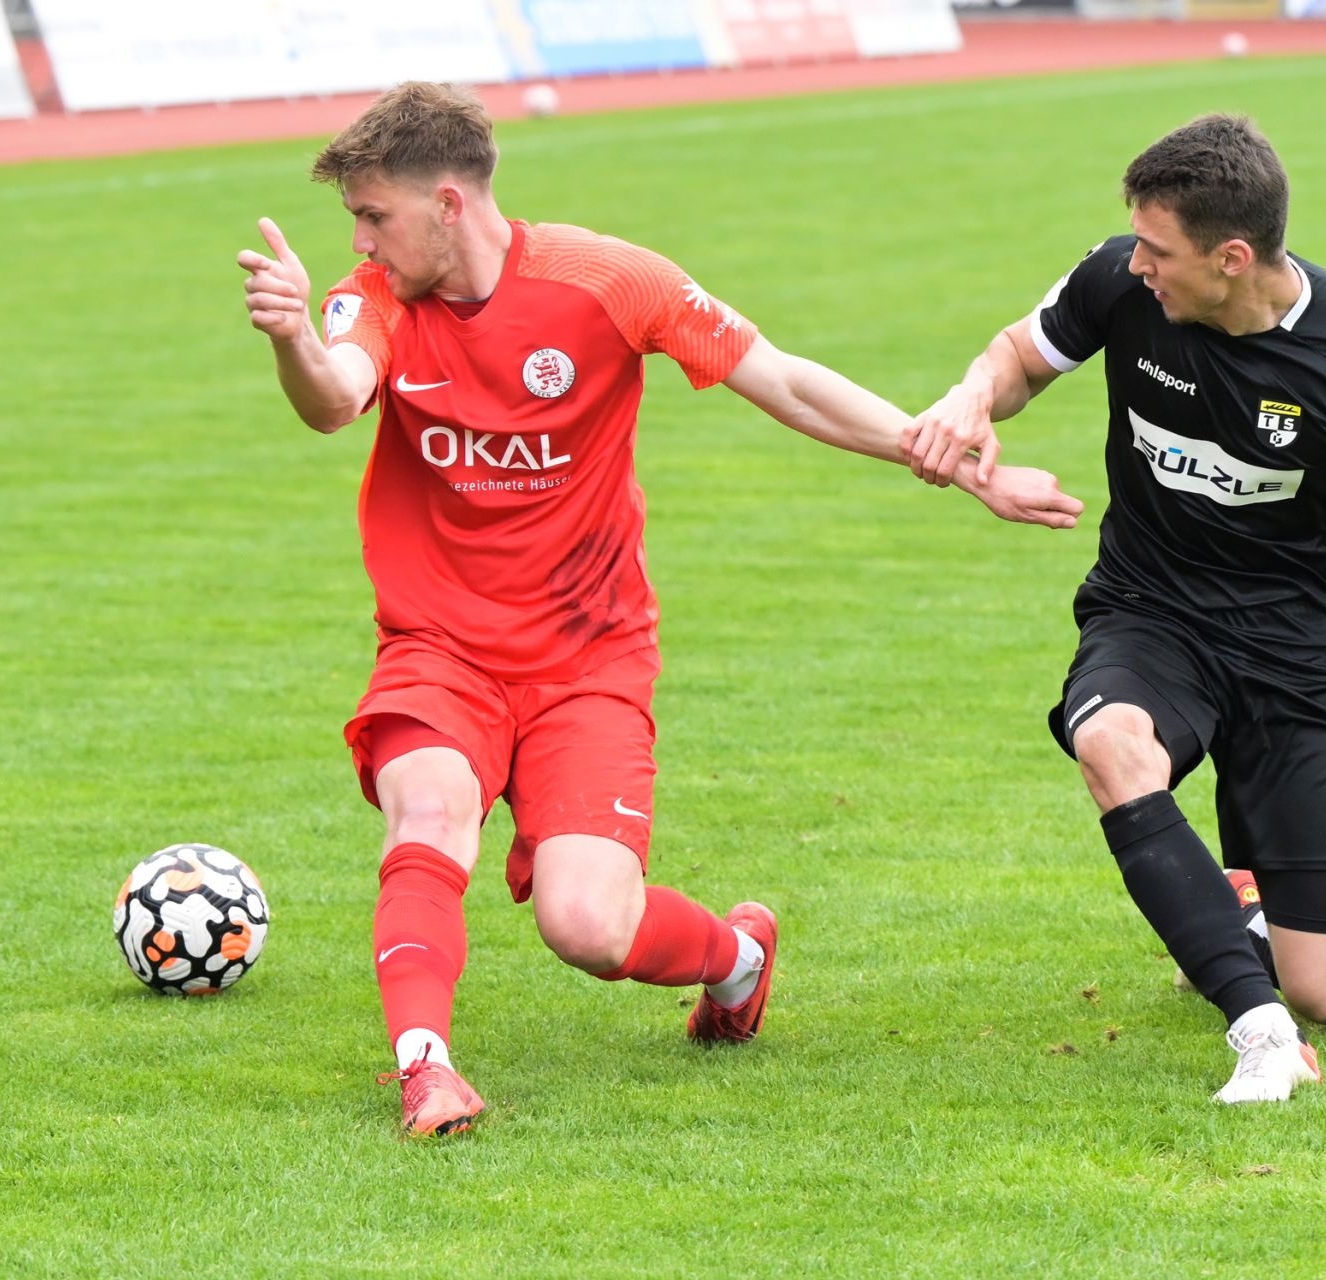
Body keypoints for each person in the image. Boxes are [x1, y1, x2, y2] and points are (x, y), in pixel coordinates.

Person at [236, 82, 1083, 1136]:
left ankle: (736, 958)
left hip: (587, 659)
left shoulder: (606, 282)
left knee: (586, 924)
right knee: (430, 810)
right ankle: (426, 1067)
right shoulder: (375, 297)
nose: (361, 238)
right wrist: (289, 338)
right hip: (440, 646)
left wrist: (956, 464)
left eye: (374, 215)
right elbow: (335, 394)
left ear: (449, 204)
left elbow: (782, 380)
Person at [903, 114, 1326, 1104]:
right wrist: (969, 397)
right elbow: (1020, 356)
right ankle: (1263, 1036)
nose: (1140, 264)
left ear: (1230, 258)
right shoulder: (1120, 282)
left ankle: (1246, 921)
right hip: (1154, 613)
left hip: (1296, 653)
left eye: (1161, 250)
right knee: (1113, 743)